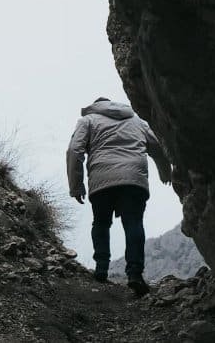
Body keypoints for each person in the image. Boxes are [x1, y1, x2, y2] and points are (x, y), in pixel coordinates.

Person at [66, 97, 172, 296]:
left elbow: (74, 150)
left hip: (101, 178)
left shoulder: (88, 120)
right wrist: (165, 172)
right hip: (134, 179)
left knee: (101, 223)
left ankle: (101, 269)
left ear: (95, 106)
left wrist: (76, 186)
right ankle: (134, 274)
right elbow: (156, 146)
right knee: (133, 223)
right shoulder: (137, 121)